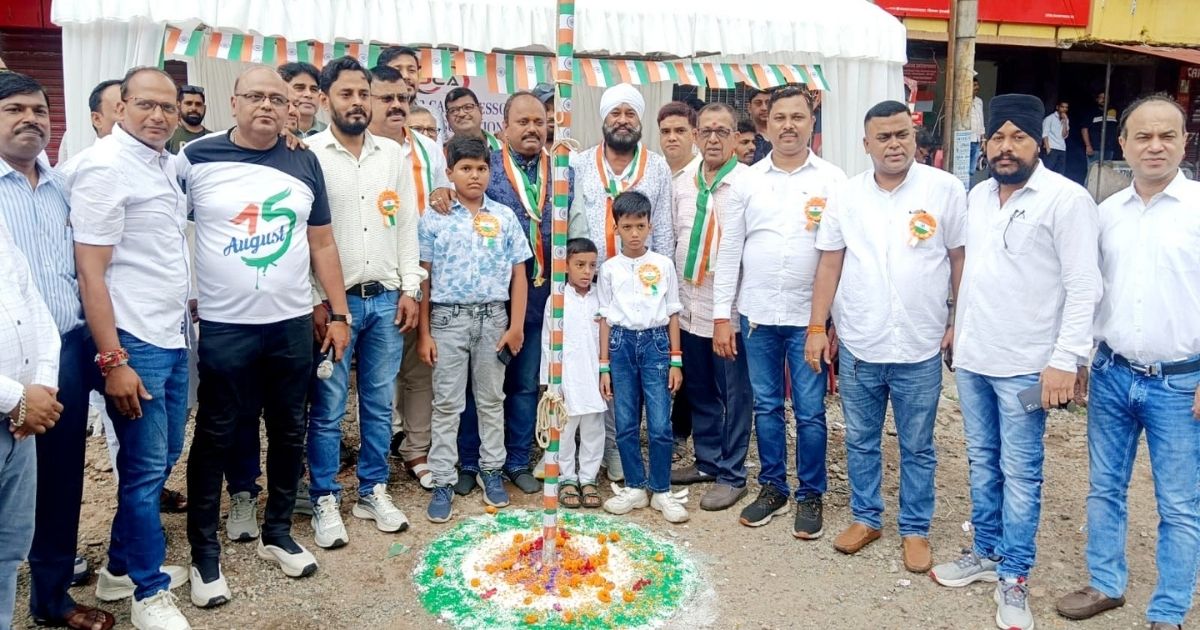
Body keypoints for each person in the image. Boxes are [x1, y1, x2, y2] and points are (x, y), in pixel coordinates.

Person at [179, 65, 351, 607]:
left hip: (291, 324)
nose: (268, 106)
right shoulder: (194, 157)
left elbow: (322, 242)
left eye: (278, 99)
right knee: (216, 434)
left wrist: (339, 314)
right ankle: (204, 555)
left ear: (291, 108)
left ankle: (277, 532)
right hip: (225, 326)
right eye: (255, 96)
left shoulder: (304, 160)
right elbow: (164, 228)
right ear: (234, 102)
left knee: (289, 430)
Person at [929, 94, 1100, 630]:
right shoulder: (977, 195)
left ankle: (1015, 575)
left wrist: (1066, 361)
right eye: (998, 138)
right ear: (986, 144)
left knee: (1021, 472)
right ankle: (986, 553)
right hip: (975, 360)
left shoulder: (1066, 200)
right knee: (982, 461)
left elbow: (1084, 287)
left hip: (1029, 367)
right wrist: (956, 326)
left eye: (1018, 138)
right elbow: (972, 273)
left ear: (1039, 144)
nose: (1007, 148)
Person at [1054, 95, 1200, 630]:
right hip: (1112, 374)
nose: (1155, 146)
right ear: (1123, 144)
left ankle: (1169, 610)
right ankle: (1105, 583)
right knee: (1104, 488)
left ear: (1184, 142)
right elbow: (1090, 292)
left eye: (1167, 136)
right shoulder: (1105, 213)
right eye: (1143, 136)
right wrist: (1080, 358)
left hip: (1180, 381)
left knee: (1179, 503)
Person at [805, 100, 966, 573]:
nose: (894, 144)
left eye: (902, 135)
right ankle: (866, 517)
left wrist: (959, 321)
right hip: (861, 342)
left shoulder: (945, 189)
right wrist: (817, 327)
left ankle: (915, 528)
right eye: (884, 137)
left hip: (920, 345)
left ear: (914, 137)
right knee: (860, 439)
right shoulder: (847, 195)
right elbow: (829, 263)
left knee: (918, 445)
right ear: (866, 144)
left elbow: (959, 258)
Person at [70, 66, 193, 630]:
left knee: (163, 458)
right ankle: (149, 592)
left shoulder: (164, 162)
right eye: (146, 104)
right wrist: (113, 359)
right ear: (120, 108)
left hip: (172, 333)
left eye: (168, 106)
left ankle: (118, 569)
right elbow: (90, 273)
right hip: (134, 341)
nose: (159, 116)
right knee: (144, 471)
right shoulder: (104, 167)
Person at [0, 71, 112, 630]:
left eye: (40, 110)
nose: (30, 119)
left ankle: (50, 594)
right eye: (14, 109)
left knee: (61, 476)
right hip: (6, 362)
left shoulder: (63, 183)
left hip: (67, 347)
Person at [712, 85, 846, 540]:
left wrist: (832, 322)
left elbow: (840, 257)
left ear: (811, 123)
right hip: (757, 318)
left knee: (809, 411)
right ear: (766, 125)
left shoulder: (833, 181)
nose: (788, 125)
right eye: (780, 118)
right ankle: (773, 487)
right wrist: (722, 317)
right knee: (766, 407)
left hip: (809, 321)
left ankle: (810, 493)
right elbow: (730, 251)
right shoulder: (746, 180)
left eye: (797, 117)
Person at [306, 57, 420, 549]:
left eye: (362, 94)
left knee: (377, 404)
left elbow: (407, 223)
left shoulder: (391, 155)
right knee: (329, 407)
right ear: (325, 99)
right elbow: (304, 236)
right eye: (346, 93)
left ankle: (373, 490)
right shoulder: (310, 154)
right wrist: (318, 300)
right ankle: (324, 496)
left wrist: (411, 287)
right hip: (337, 307)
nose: (356, 103)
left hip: (387, 301)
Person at [454, 90, 568, 496]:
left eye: (539, 122)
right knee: (479, 386)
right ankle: (471, 460)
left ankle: (517, 460)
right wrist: (441, 194)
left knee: (524, 383)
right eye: (523, 122)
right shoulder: (487, 167)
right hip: (489, 298)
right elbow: (456, 196)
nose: (532, 129)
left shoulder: (563, 170)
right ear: (504, 128)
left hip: (543, 297)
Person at [418, 135, 531, 522]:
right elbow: (424, 278)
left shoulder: (504, 217)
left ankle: (491, 470)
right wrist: (424, 333)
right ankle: (443, 480)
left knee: (491, 400)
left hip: (494, 320)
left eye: (481, 168)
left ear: (490, 171)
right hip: (447, 320)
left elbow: (519, 273)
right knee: (447, 404)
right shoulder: (435, 217)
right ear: (449, 172)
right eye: (465, 168)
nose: (474, 175)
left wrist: (516, 326)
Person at [569, 82, 674, 481]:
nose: (623, 120)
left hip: (640, 291)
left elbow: (663, 229)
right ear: (604, 118)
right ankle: (587, 448)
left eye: (630, 113)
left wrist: (661, 286)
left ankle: (616, 449)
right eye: (616, 113)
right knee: (596, 366)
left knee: (629, 372)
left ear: (640, 120)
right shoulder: (580, 163)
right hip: (591, 282)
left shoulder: (656, 167)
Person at [365, 64, 449, 487]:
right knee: (376, 376)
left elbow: (441, 201)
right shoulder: (358, 149)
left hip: (420, 275)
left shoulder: (428, 150)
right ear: (367, 101)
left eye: (402, 98)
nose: (397, 105)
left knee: (419, 370)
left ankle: (416, 449)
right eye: (387, 98)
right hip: (373, 277)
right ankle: (375, 457)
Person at [668, 102, 752, 512]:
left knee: (734, 393)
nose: (714, 139)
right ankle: (707, 460)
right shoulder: (683, 183)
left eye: (722, 131)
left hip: (729, 311)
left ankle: (733, 474)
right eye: (706, 131)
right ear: (696, 136)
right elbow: (673, 235)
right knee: (699, 388)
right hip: (689, 305)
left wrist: (730, 314)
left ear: (736, 137)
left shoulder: (749, 184)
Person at [598, 190, 687, 523]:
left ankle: (661, 489)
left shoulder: (663, 265)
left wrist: (676, 359)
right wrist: (604, 366)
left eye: (640, 226)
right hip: (620, 346)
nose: (634, 234)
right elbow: (604, 318)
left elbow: (673, 312)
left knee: (661, 423)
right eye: (627, 227)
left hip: (656, 345)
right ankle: (635, 486)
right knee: (625, 421)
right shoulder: (609, 269)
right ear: (616, 228)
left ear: (650, 225)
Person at [0, 214, 62, 630]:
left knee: (8, 551)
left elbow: (33, 304)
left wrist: (41, 386)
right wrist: (17, 398)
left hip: (19, 427)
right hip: (16, 408)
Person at [541, 238, 607, 509]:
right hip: (566, 378)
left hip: (594, 375)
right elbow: (548, 341)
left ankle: (588, 478)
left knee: (594, 430)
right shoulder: (557, 299)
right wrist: (549, 383)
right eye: (580, 265)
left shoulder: (601, 297)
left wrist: (606, 373)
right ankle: (567, 477)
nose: (586, 271)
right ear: (566, 266)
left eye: (592, 265)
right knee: (564, 431)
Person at [279, 62, 326, 138]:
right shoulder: (272, 133)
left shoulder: (330, 134)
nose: (308, 94)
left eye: (314, 89)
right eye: (300, 88)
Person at [445, 87, 501, 151]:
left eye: (468, 107)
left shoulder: (504, 149)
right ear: (447, 118)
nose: (461, 114)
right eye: (454, 110)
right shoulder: (440, 153)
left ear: (480, 110)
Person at [658, 101, 698, 178]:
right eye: (665, 131)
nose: (672, 138)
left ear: (694, 135)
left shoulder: (705, 174)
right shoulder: (648, 171)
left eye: (680, 131)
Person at [167, 85, 210, 154]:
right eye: (188, 103)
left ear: (204, 108)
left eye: (198, 104)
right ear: (178, 106)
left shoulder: (213, 137)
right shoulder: (168, 136)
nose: (194, 108)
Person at [1082, 90, 1112, 163]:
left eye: (1106, 98)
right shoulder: (1091, 112)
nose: (1104, 99)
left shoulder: (1112, 112)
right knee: (1093, 168)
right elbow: (1084, 129)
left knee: (1108, 169)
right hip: (1095, 149)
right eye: (1101, 97)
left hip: (1109, 149)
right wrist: (1088, 146)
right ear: (1097, 99)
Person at [1042, 100, 1069, 174]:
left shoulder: (1066, 119)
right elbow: (1044, 134)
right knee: (1047, 172)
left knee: (1060, 173)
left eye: (1066, 107)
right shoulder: (1049, 118)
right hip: (1052, 148)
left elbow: (1064, 135)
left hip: (1062, 149)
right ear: (1057, 107)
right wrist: (1048, 149)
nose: (1064, 109)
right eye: (1062, 107)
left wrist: (1065, 122)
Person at [746, 88, 772, 163]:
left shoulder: (782, 135)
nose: (764, 108)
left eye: (768, 103)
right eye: (758, 103)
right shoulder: (741, 136)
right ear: (749, 107)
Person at [970, 78, 985, 170]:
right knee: (963, 168)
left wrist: (983, 139)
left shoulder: (979, 101)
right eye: (974, 85)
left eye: (977, 85)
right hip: (966, 140)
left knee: (972, 169)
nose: (977, 87)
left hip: (977, 140)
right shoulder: (963, 101)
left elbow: (981, 120)